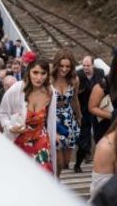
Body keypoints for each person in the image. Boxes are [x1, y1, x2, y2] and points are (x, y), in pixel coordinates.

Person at [0, 51, 57, 174]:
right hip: (19, 143)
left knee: (44, 177)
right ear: (29, 71)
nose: (39, 77)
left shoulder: (50, 92)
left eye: (43, 73)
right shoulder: (17, 89)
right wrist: (10, 127)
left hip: (41, 143)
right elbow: (2, 113)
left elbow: (51, 120)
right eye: (35, 72)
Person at [51, 48, 82, 177]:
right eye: (61, 66)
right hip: (54, 120)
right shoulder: (50, 79)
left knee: (66, 163)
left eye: (67, 66)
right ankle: (55, 183)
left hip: (69, 121)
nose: (64, 69)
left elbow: (74, 99)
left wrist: (79, 117)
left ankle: (56, 179)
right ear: (56, 65)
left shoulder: (74, 80)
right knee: (58, 161)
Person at [74, 56, 105, 173]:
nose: (86, 68)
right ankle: (78, 163)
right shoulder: (78, 75)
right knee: (84, 138)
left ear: (93, 65)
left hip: (97, 108)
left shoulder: (100, 73)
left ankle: (100, 162)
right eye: (84, 65)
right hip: (84, 110)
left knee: (99, 136)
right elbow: (75, 94)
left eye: (88, 65)